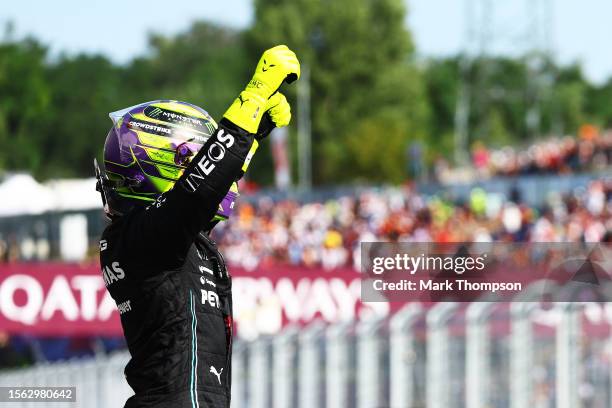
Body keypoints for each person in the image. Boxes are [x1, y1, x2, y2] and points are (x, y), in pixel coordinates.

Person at [95, 45, 300, 408]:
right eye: (193, 158)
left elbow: (208, 188)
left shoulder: (154, 236)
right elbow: (199, 190)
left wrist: (254, 134)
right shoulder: (144, 237)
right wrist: (251, 98)